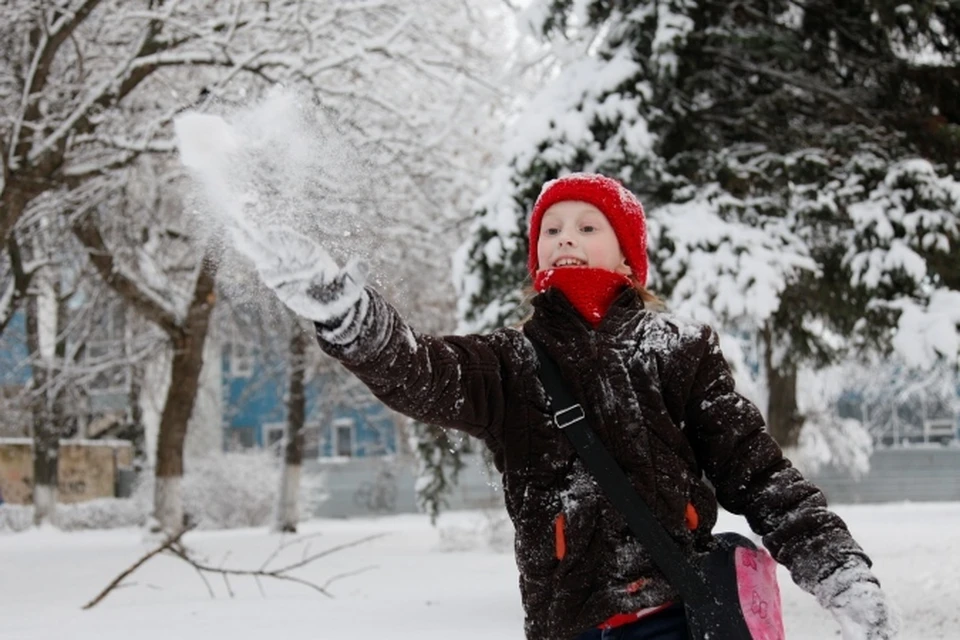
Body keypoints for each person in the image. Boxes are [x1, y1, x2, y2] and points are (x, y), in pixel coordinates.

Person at [248, 173, 898, 640]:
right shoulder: (510, 362)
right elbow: (416, 370)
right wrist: (344, 311)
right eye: (552, 228)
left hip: (678, 611)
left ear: (628, 254)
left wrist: (836, 570)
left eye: (589, 226)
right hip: (570, 621)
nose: (565, 236)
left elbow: (761, 477)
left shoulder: (679, 349)